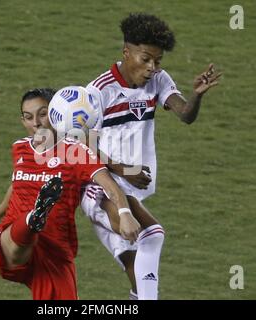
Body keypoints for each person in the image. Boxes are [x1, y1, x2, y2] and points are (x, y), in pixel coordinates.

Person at [82, 13, 222, 300]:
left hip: (133, 189)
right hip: (102, 187)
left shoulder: (158, 80)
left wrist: (197, 95)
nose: (152, 67)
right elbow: (83, 144)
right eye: (145, 59)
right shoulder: (99, 91)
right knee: (152, 233)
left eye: (157, 61)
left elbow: (185, 115)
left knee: (139, 276)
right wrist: (123, 169)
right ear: (126, 52)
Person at [0, 88, 141, 300]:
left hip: (54, 247)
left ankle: (34, 218)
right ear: (22, 121)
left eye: (42, 114)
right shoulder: (19, 148)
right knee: (14, 250)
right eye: (28, 117)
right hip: (13, 235)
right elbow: (15, 186)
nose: (36, 123)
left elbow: (109, 184)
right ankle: (32, 220)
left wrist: (125, 214)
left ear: (57, 113)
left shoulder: (76, 152)